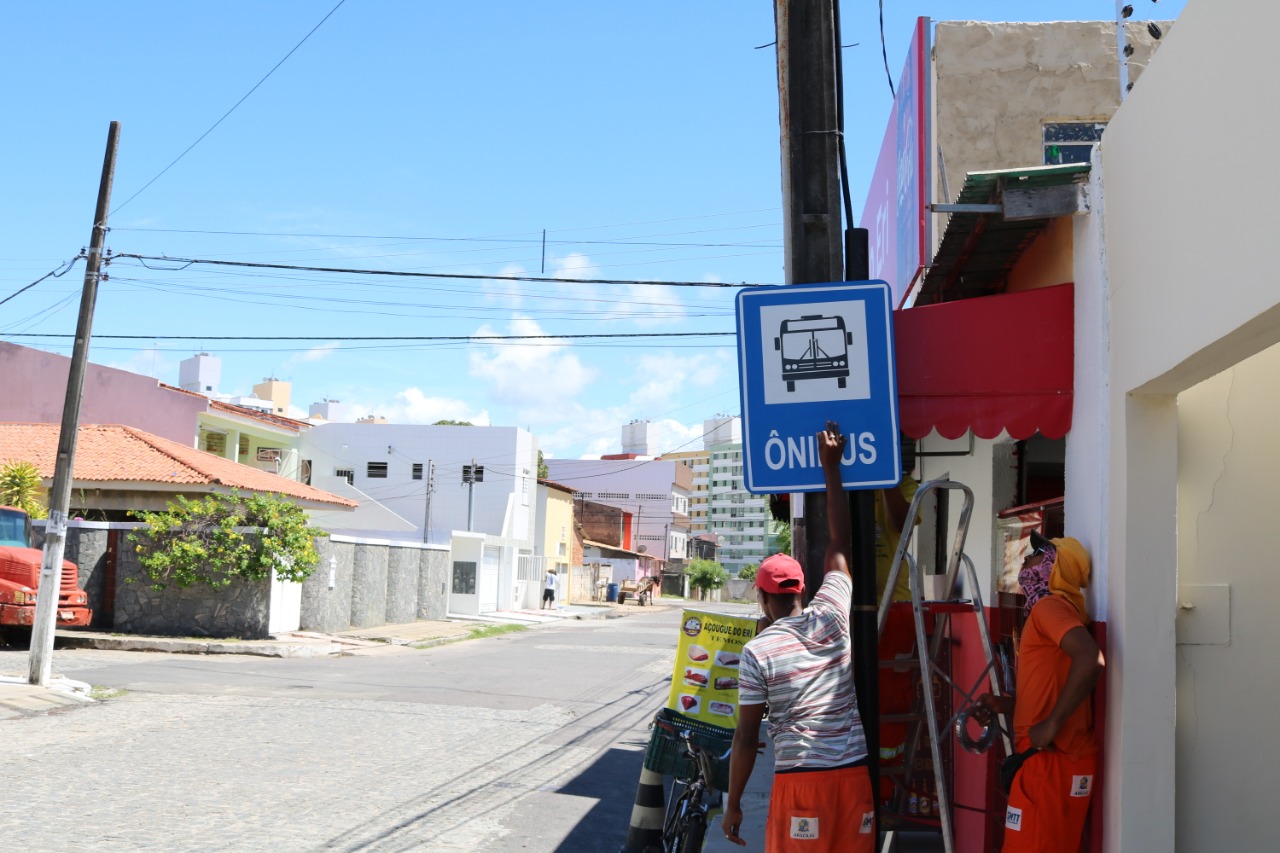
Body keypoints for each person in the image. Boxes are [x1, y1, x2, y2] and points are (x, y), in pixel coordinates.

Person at [724, 421, 875, 851]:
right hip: (852, 777)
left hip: (801, 782)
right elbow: (839, 544)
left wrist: (733, 803)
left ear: (762, 597)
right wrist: (832, 468)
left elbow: (747, 738)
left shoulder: (757, 652)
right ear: (803, 589)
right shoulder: (832, 614)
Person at [975, 532, 1104, 853]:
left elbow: (1091, 660)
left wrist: (1052, 724)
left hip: (1049, 762)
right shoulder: (1057, 610)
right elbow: (1055, 683)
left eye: (1035, 554)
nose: (1026, 559)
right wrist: (1008, 705)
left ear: (1053, 565)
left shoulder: (1050, 607)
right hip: (1054, 760)